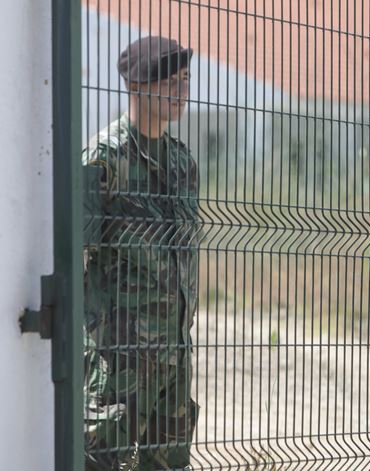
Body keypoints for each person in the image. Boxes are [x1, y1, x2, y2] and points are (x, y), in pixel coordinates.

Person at [82, 35, 199, 470]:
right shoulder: (104, 159)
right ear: (135, 86)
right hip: (118, 364)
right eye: (168, 81)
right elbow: (75, 257)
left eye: (185, 80)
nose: (180, 91)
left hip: (173, 358)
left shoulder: (182, 165)